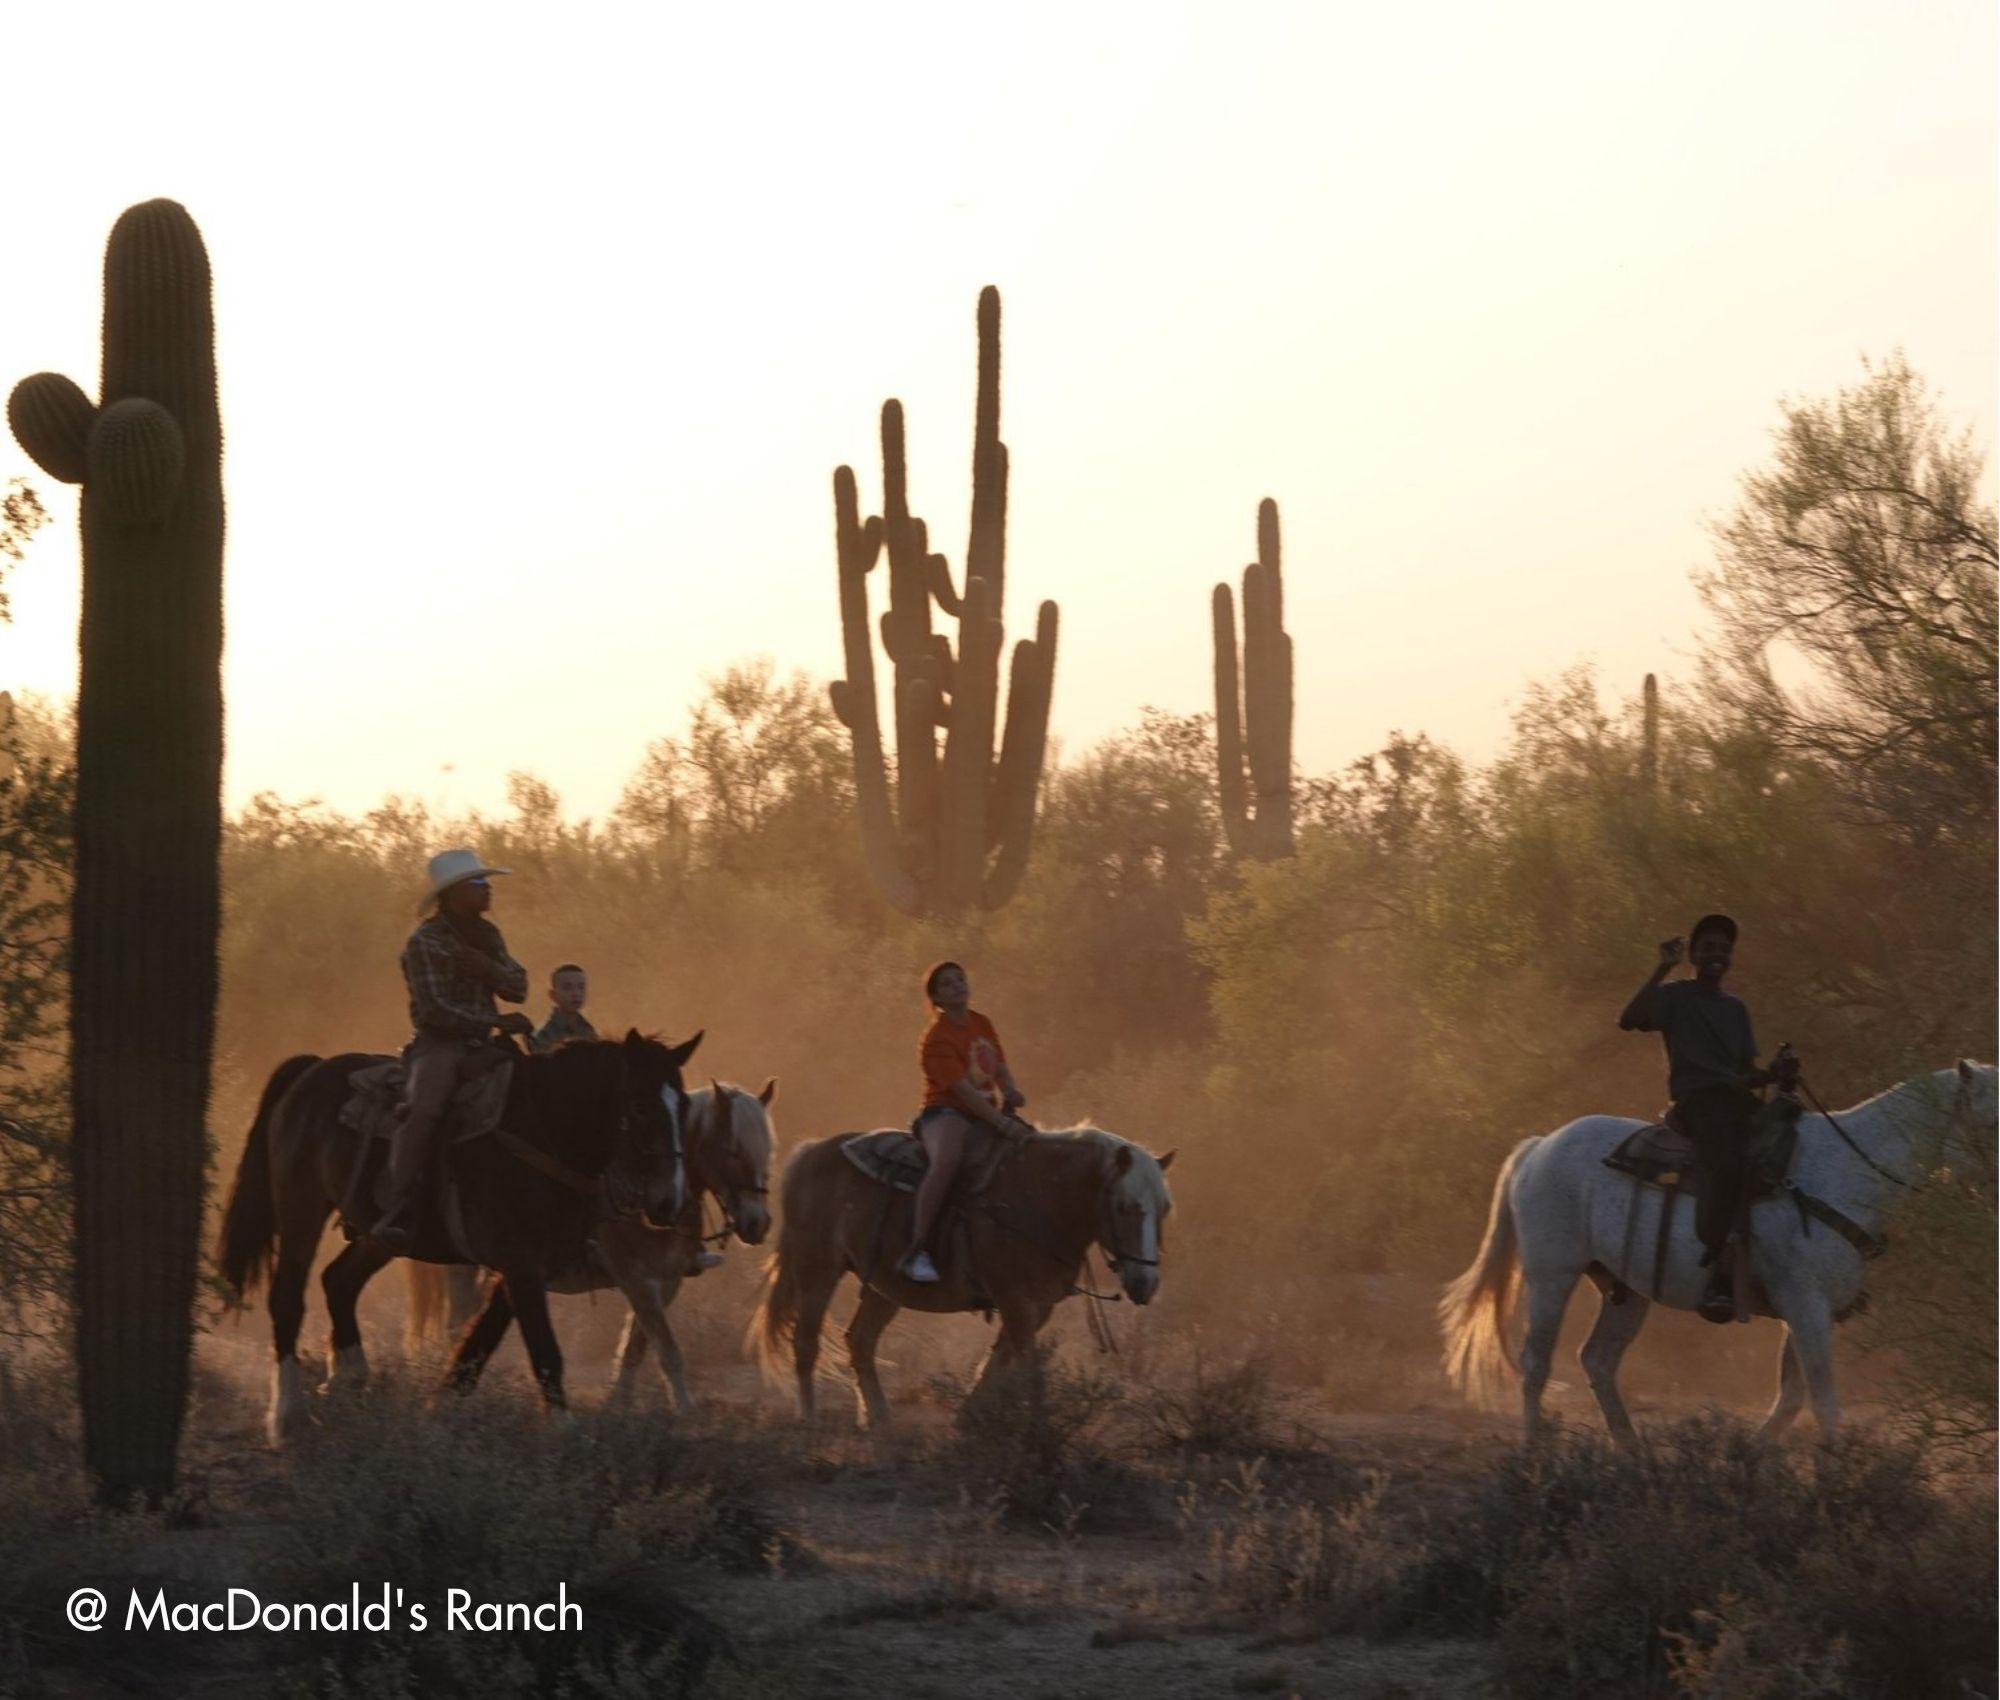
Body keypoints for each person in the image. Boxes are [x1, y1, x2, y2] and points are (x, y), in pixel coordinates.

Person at [1617, 913, 1797, 1311]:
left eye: (1723, 949)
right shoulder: (1675, 996)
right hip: (1698, 1102)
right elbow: (1630, 1020)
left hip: (1735, 1101)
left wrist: (1777, 1073)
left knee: (1792, 1138)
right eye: (1708, 948)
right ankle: (1720, 1272)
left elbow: (1746, 1073)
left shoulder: (1735, 1008)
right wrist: (1662, 966)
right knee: (1728, 1164)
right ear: (1694, 955)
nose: (1717, 954)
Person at [372, 849, 534, 1251]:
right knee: (425, 1109)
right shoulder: (425, 942)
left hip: (485, 1044)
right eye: (478, 884)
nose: (487, 889)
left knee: (537, 1094)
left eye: (486, 882)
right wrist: (493, 1022)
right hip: (441, 1045)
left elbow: (518, 987)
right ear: (454, 893)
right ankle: (399, 1206)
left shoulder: (488, 936)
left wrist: (488, 969)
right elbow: (434, 1009)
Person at [900, 961, 1029, 1284]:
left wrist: (1010, 1088)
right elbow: (963, 1091)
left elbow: (998, 1065)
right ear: (936, 999)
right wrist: (1000, 1124)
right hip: (947, 1112)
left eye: (960, 979)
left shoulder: (981, 1022)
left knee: (1033, 1153)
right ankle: (918, 1248)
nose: (957, 985)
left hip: (986, 1111)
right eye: (947, 984)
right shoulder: (936, 1039)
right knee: (948, 1160)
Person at [533, 963, 597, 1052]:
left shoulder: (588, 1030)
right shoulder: (544, 1034)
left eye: (581, 987)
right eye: (567, 988)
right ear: (553, 995)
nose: (576, 993)